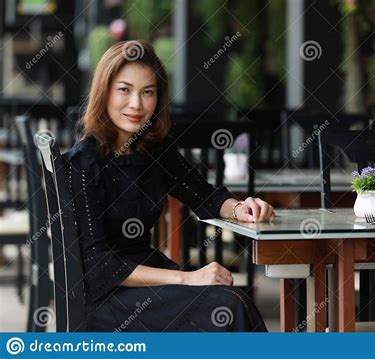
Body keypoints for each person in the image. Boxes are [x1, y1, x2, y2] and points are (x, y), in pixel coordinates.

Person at [63, 40, 273, 332]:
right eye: (124, 89)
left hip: (148, 282)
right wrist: (188, 277)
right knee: (228, 304)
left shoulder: (154, 151)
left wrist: (241, 208)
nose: (136, 104)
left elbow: (204, 197)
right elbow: (100, 267)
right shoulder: (83, 164)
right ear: (104, 92)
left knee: (231, 299)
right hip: (105, 301)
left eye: (147, 92)